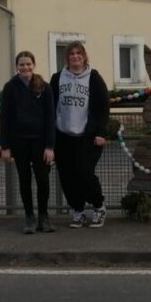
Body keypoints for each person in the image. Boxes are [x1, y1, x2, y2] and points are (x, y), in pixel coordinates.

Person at [51, 41, 110, 228]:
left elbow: (103, 107)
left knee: (85, 173)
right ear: (67, 58)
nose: (75, 57)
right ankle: (78, 210)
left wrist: (100, 132)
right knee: (67, 175)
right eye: (71, 54)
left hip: (86, 135)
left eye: (79, 53)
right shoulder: (57, 78)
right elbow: (50, 105)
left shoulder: (94, 78)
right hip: (63, 134)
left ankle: (99, 207)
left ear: (84, 57)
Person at [0, 51, 56, 233]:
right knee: (24, 179)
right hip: (19, 141)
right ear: (17, 66)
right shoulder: (10, 87)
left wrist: (50, 146)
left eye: (28, 64)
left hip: (40, 142)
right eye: (22, 64)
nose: (25, 67)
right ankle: (29, 217)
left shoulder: (44, 87)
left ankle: (43, 217)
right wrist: (5, 147)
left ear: (34, 65)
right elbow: (4, 118)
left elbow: (50, 118)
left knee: (43, 180)